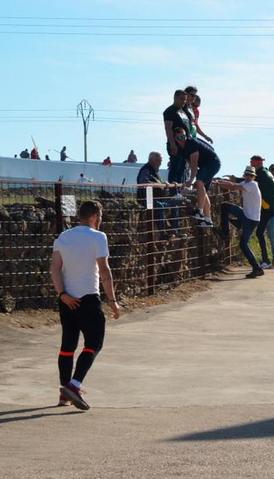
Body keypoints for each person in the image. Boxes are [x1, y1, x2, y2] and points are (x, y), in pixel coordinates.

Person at [50, 200, 120, 410]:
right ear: (94, 216)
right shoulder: (98, 237)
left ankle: (64, 392)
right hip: (89, 299)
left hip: (67, 300)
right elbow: (105, 271)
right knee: (94, 343)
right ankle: (75, 384)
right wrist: (113, 301)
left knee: (67, 346)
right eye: (100, 217)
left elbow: (54, 269)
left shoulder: (63, 237)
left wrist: (62, 294)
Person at [217, 167, 264, 278]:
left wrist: (219, 184)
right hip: (246, 215)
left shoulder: (252, 185)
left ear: (253, 177)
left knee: (243, 244)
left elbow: (233, 186)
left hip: (250, 219)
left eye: (250, 175)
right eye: (246, 174)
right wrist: (219, 181)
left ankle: (257, 268)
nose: (248, 177)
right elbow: (232, 183)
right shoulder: (246, 183)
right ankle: (226, 231)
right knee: (225, 206)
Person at [173, 127, 221, 228]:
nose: (182, 139)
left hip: (212, 163)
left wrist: (191, 180)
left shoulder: (191, 144)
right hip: (204, 166)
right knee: (202, 190)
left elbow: (194, 165)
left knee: (199, 183)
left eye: (183, 136)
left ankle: (199, 211)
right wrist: (191, 180)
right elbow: (190, 164)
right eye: (179, 137)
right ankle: (208, 219)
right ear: (175, 138)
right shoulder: (181, 150)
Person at [136, 152, 181, 236]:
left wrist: (166, 184)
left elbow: (157, 184)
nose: (160, 163)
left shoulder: (154, 171)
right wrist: (162, 185)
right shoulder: (146, 170)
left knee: (176, 202)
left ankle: (175, 230)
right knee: (160, 207)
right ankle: (163, 234)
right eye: (159, 161)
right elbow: (144, 182)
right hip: (148, 200)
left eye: (160, 161)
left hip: (159, 198)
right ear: (152, 160)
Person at [251, 155, 274, 268]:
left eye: (252, 161)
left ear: (257, 162)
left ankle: (267, 260)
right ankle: (272, 261)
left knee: (265, 234)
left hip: (268, 208)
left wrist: (235, 181)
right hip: (271, 208)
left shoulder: (261, 174)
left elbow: (249, 182)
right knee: (271, 235)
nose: (250, 163)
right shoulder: (265, 172)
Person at [163, 89, 192, 185]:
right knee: (175, 167)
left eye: (185, 99)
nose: (183, 101)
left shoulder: (184, 111)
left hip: (185, 145)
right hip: (176, 144)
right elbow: (168, 128)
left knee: (182, 169)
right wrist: (172, 144)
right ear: (175, 98)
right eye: (181, 99)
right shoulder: (170, 111)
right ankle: (173, 192)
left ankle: (180, 190)